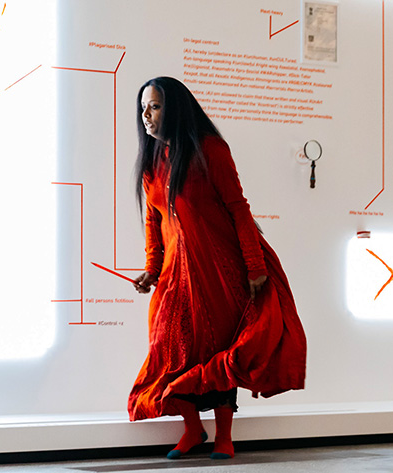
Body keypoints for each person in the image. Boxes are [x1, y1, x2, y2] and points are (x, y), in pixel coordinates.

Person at [129, 76, 307, 460]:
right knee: (171, 351)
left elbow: (238, 208)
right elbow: (154, 222)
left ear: (176, 109)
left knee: (219, 347)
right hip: (176, 275)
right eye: (143, 108)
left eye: (155, 106)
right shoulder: (152, 162)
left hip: (220, 269)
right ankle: (193, 430)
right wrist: (152, 269)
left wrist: (254, 265)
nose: (146, 115)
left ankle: (224, 437)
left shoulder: (210, 149)